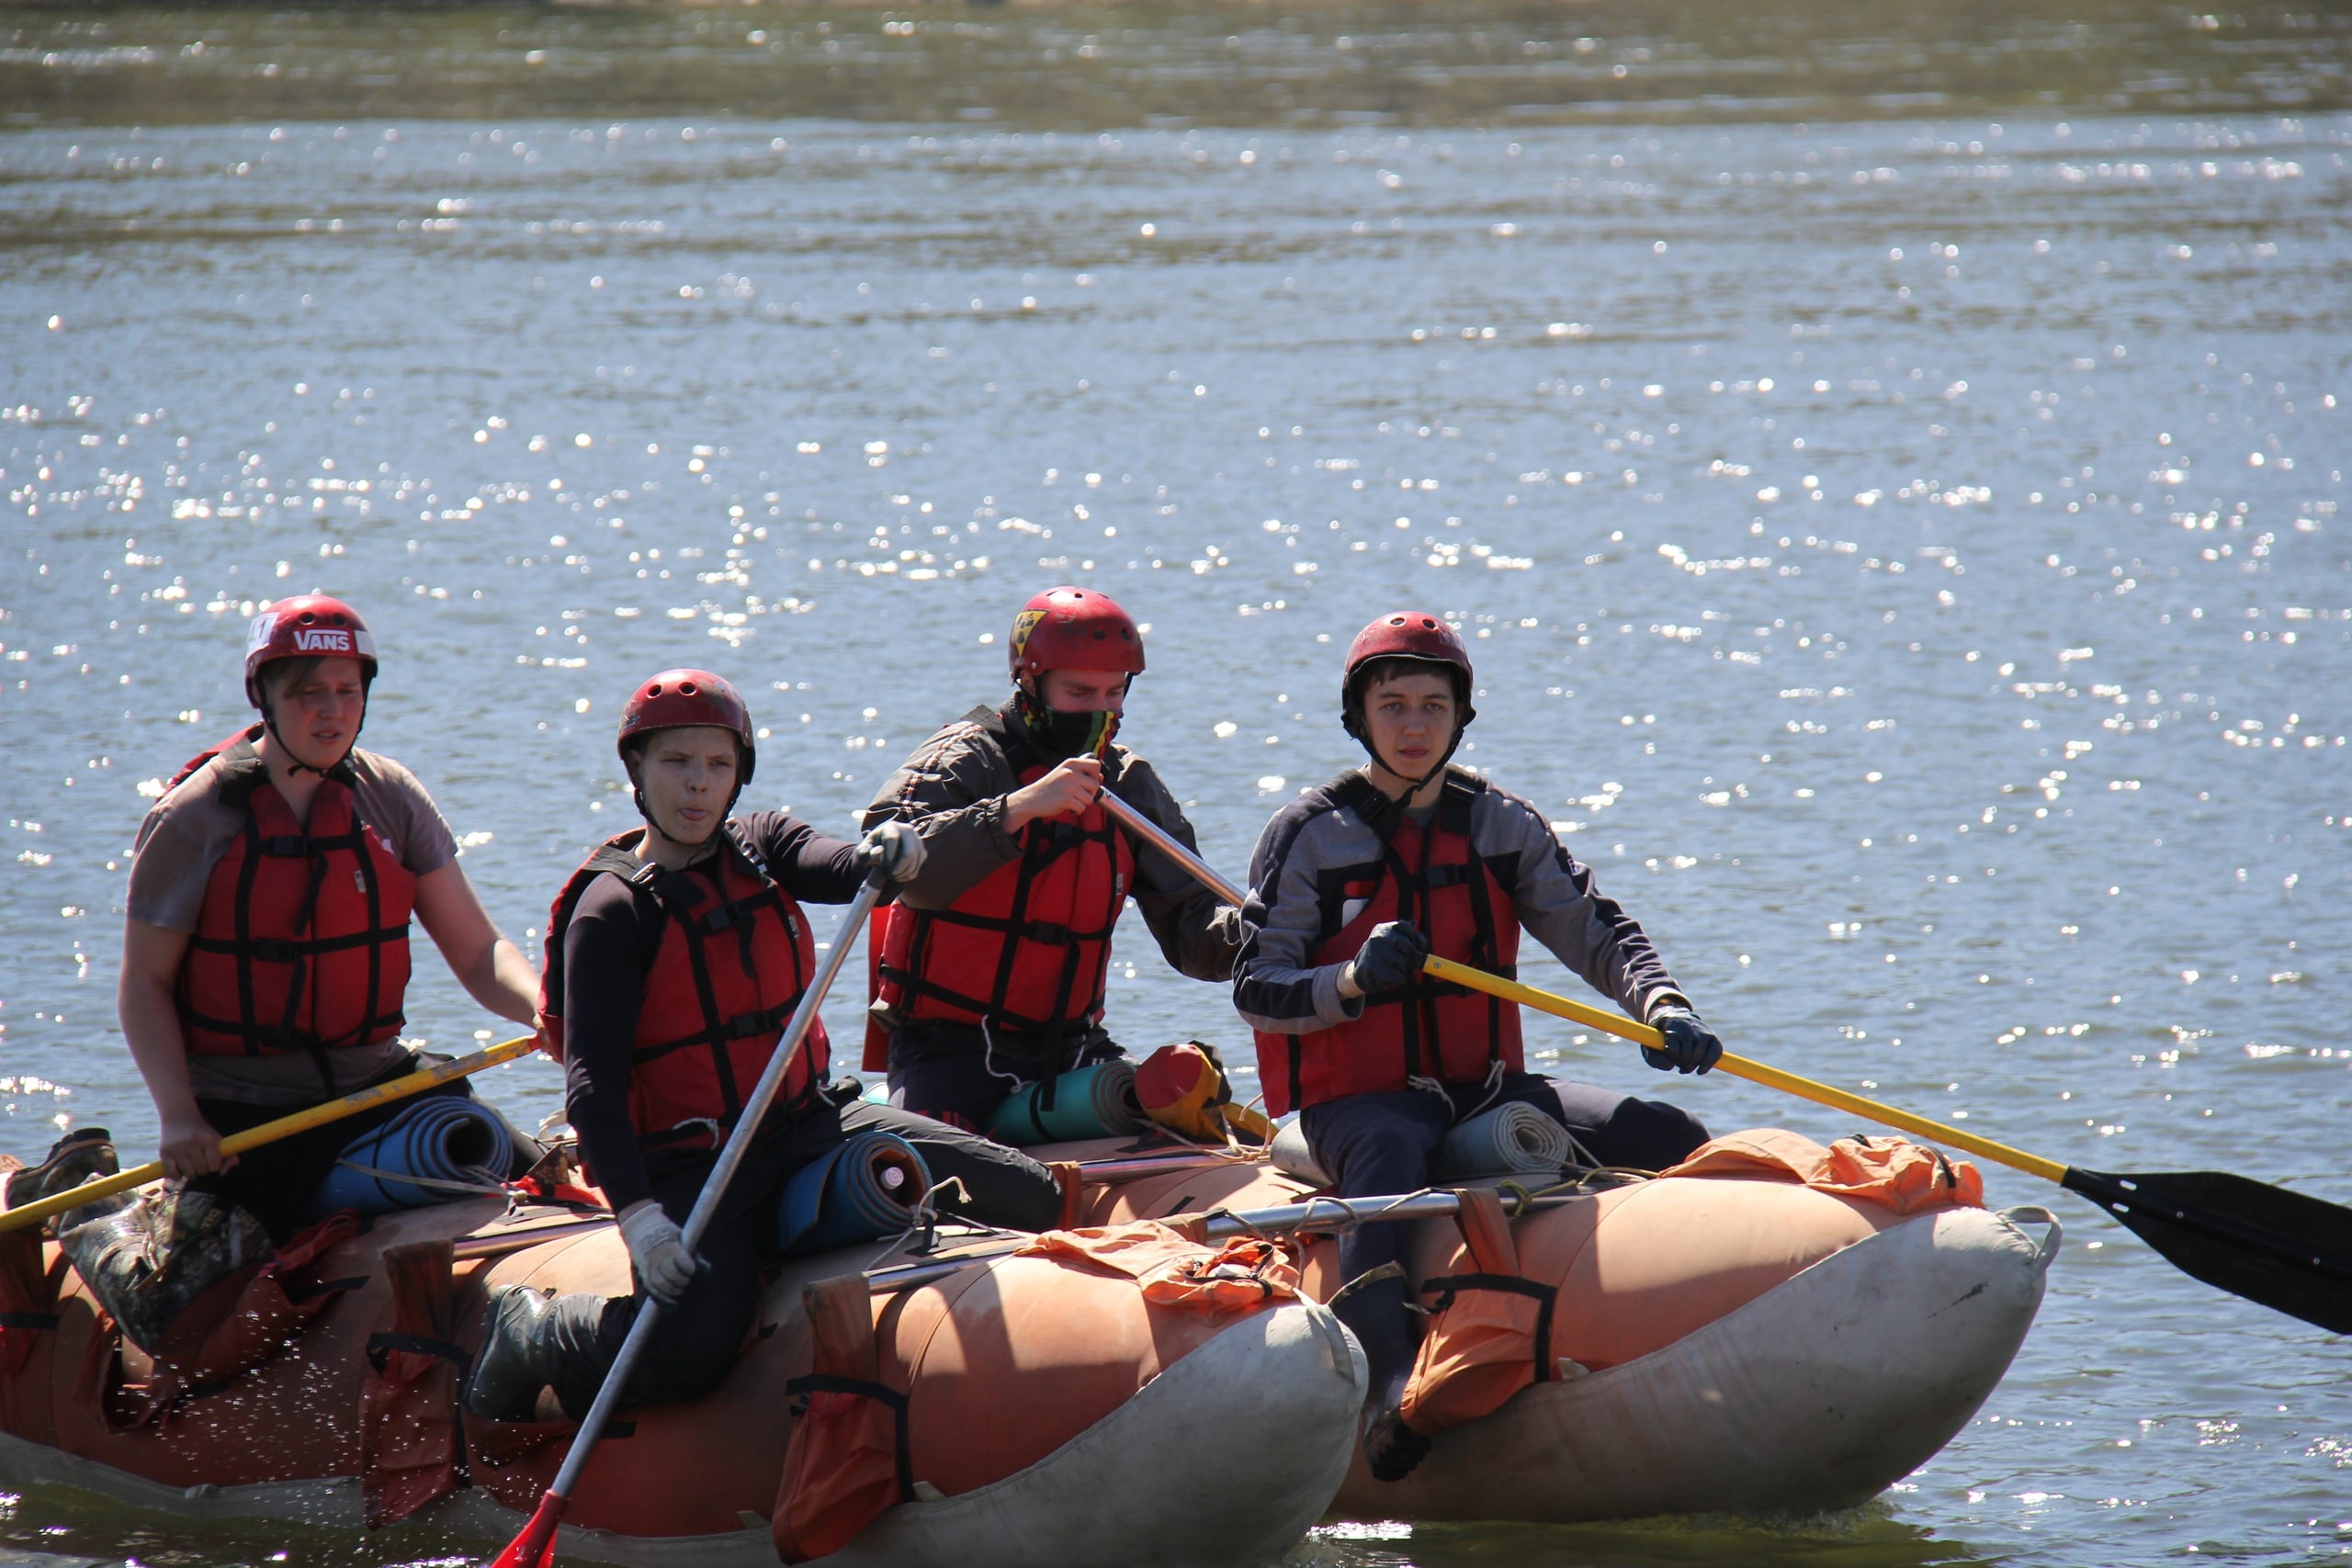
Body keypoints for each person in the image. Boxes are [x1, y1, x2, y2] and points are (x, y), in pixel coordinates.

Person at [465, 669, 1055, 1424]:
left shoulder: (763, 842)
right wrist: (643, 1224)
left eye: (717, 764)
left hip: (809, 1122)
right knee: (691, 1350)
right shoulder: (610, 911)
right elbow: (592, 1093)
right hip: (694, 1162)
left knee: (1028, 1192)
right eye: (676, 762)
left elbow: (838, 867)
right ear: (637, 770)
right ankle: (538, 1330)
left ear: (739, 773)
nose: (698, 785)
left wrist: (889, 852)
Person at [1234, 611, 1724, 1480]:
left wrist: (1663, 1002)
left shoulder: (1501, 823)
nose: (1415, 725)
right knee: (1387, 1154)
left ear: (1462, 717)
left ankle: (1704, 1315)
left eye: (1434, 705)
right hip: (1361, 1104)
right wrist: (1350, 979)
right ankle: (1388, 1392)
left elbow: (1595, 928)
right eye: (1393, 706)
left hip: (1487, 1087)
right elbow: (1256, 988)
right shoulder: (1309, 834)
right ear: (1359, 717)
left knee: (1666, 1130)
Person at [96, 594, 539, 1244]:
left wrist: (542, 1005)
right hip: (243, 1122)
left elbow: (479, 951)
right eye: (308, 692)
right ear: (264, 698)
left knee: (533, 1173)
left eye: (347, 690)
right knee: (199, 1312)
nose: (332, 710)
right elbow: (144, 985)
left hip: (377, 1088)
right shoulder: (194, 819)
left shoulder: (390, 796)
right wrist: (180, 1119)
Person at [858, 587, 1241, 1134]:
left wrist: (1263, 925)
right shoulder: (964, 757)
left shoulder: (1128, 784)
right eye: (1079, 693)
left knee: (1189, 1100)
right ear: (1030, 682)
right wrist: (1016, 810)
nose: (1099, 712)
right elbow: (885, 859)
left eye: (1114, 694)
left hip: (1073, 1047)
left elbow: (1194, 933)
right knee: (938, 1165)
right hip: (948, 1050)